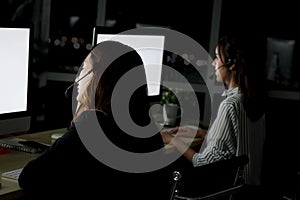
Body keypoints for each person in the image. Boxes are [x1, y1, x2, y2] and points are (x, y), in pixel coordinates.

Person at [18, 40, 172, 199]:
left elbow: (30, 177)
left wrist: (83, 114)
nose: (78, 79)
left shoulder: (93, 124)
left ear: (96, 76)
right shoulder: (146, 127)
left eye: (83, 69)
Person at [161, 34, 266, 188]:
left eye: (217, 57)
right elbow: (235, 145)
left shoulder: (230, 105)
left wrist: (173, 141)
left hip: (227, 191)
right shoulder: (251, 101)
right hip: (249, 188)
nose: (214, 63)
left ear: (231, 64)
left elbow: (204, 162)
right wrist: (203, 134)